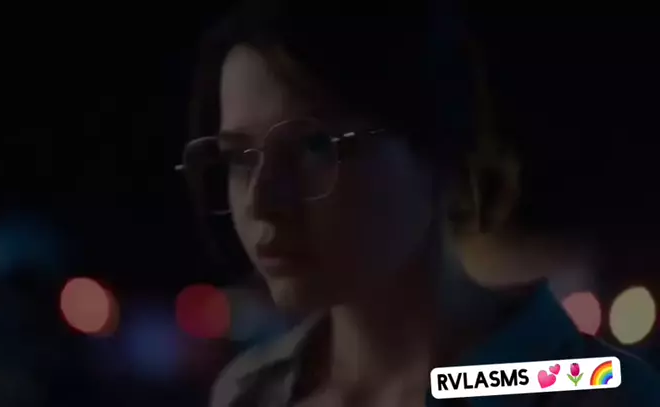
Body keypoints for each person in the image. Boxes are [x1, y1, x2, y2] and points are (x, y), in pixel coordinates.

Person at [178, 2, 660, 406]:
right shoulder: (249, 392)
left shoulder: (589, 390)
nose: (262, 202)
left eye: (313, 147)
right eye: (239, 158)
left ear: (440, 151)